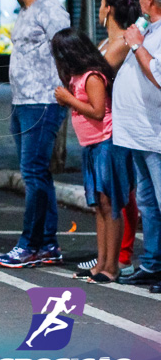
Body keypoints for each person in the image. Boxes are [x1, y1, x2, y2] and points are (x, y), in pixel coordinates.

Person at [0, 0, 71, 269]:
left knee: (33, 175)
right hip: (23, 103)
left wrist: (67, 92)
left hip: (42, 103)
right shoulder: (25, 12)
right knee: (39, 175)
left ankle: (29, 245)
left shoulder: (49, 9)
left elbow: (68, 47)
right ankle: (48, 245)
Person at [51, 28, 131, 284]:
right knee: (99, 206)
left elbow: (97, 112)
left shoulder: (92, 76)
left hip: (106, 144)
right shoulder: (76, 77)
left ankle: (112, 267)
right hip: (91, 146)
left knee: (110, 205)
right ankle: (102, 263)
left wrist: (69, 100)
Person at [79, 0, 141, 278]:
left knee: (115, 197)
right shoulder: (106, 42)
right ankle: (105, 260)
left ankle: (118, 261)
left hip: (113, 127)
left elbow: (94, 77)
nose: (99, 8)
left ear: (109, 10)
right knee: (103, 199)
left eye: (101, 4)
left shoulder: (119, 44)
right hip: (97, 129)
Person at [113, 0, 161, 292]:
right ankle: (153, 263)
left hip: (155, 135)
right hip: (138, 134)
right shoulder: (149, 28)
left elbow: (158, 74)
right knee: (147, 202)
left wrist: (138, 46)